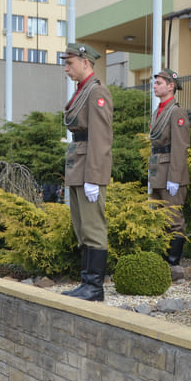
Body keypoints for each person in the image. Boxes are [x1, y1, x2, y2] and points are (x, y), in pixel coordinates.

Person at [59, 42, 113, 302]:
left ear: (85, 62)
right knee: (82, 227)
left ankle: (94, 287)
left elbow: (101, 138)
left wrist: (94, 177)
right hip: (78, 165)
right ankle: (86, 282)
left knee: (93, 227)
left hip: (89, 168)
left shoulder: (96, 92)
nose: (66, 69)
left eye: (70, 63)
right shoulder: (83, 91)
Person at [149, 68, 190, 266]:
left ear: (171, 86)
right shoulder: (159, 111)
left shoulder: (176, 112)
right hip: (159, 172)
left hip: (171, 174)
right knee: (159, 219)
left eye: (159, 83)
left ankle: (173, 263)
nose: (154, 86)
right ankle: (163, 260)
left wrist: (174, 177)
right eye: (155, 83)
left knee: (173, 219)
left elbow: (180, 147)